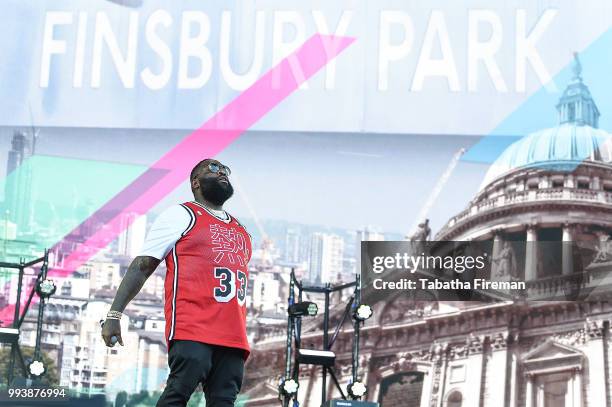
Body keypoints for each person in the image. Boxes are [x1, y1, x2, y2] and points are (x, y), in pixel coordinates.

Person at [101, 159, 252, 407]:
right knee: (178, 394)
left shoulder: (241, 230)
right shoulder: (182, 214)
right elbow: (142, 265)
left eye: (226, 170)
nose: (222, 172)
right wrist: (115, 314)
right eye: (213, 169)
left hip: (233, 335)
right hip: (193, 328)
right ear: (196, 183)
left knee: (224, 402)